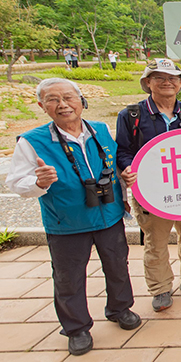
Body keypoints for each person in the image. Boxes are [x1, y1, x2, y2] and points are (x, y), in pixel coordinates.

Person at [7, 78, 140, 356]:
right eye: (53, 99)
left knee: (117, 265)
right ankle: (76, 328)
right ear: (43, 106)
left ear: (82, 101)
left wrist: (125, 176)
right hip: (67, 223)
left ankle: (120, 308)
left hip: (109, 215)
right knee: (68, 277)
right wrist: (39, 182)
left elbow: (114, 164)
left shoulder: (101, 130)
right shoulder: (33, 142)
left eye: (69, 97)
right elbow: (16, 184)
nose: (63, 104)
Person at [115, 59, 181, 312]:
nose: (167, 82)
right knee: (156, 240)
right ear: (148, 82)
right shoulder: (132, 115)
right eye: (159, 77)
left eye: (173, 78)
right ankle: (160, 287)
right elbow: (122, 151)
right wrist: (129, 168)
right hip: (152, 193)